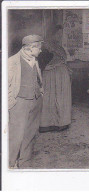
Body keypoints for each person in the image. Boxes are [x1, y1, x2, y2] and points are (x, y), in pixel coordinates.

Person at [8, 35, 43, 168]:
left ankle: (24, 163)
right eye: (39, 48)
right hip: (19, 103)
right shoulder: (12, 61)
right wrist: (11, 103)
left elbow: (38, 79)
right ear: (31, 48)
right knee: (15, 135)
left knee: (30, 134)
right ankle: (10, 164)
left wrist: (41, 93)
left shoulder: (35, 60)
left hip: (35, 101)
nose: (41, 50)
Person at [39, 25, 72, 133]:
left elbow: (64, 60)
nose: (60, 36)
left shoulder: (59, 46)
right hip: (50, 76)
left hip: (62, 75)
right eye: (58, 34)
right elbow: (39, 61)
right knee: (49, 98)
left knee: (61, 98)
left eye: (61, 34)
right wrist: (44, 67)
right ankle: (47, 124)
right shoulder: (45, 46)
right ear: (51, 34)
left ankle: (61, 123)